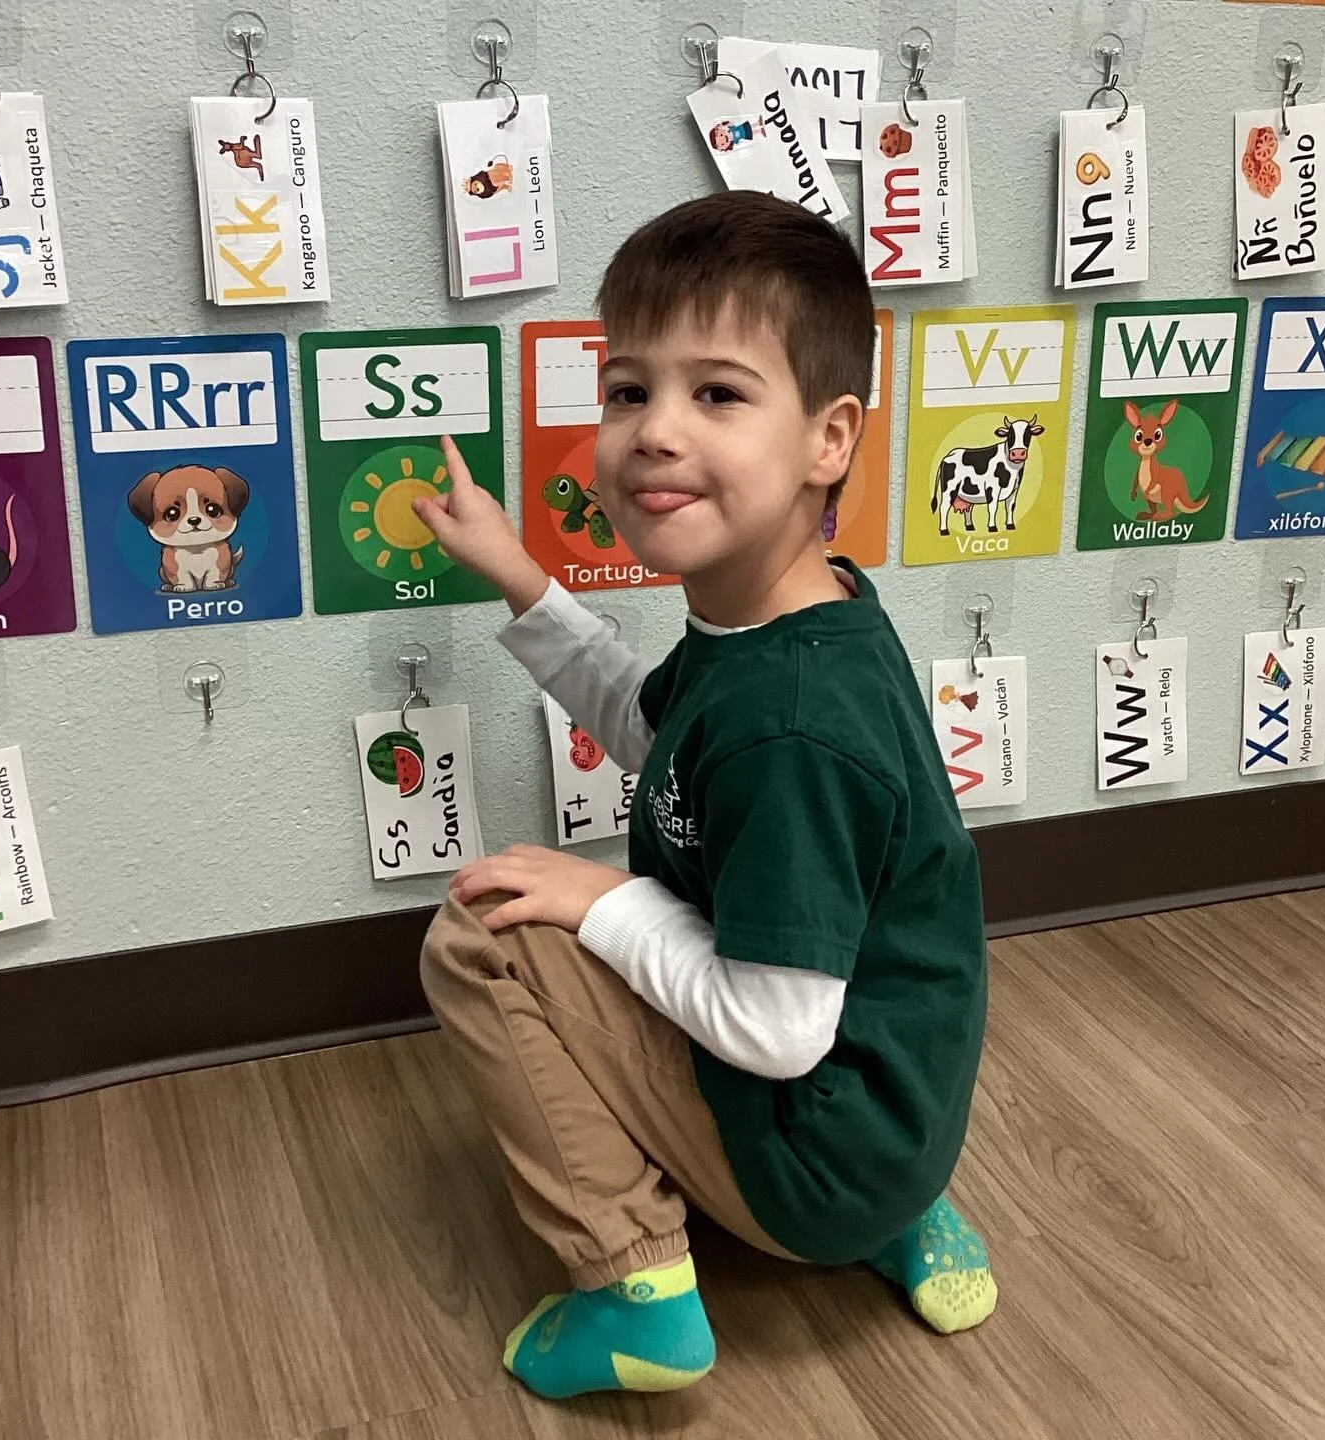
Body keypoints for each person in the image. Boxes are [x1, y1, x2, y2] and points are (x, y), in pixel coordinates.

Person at [412, 191, 994, 1404]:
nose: (653, 432)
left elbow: (777, 1030)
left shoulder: (793, 724)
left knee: (481, 935)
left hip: (816, 1144)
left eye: (717, 394)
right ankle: (894, 1213)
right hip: (898, 1127)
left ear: (830, 439)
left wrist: (603, 901)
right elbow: (661, 735)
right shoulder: (799, 615)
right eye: (628, 390)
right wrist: (519, 573)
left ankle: (636, 1292)